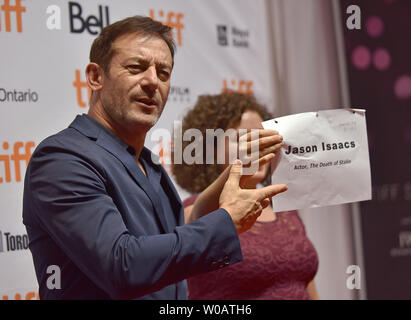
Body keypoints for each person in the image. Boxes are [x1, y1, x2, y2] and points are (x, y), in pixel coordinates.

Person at [22, 16, 287, 300]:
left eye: (163, 73)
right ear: (96, 76)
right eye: (136, 68)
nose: (152, 81)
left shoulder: (148, 164)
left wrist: (236, 173)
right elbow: (123, 267)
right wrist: (226, 222)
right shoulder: (62, 159)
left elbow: (179, 232)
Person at [172, 92, 320, 300]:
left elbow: (305, 286)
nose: (258, 145)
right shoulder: (195, 211)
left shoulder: (287, 212)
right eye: (244, 139)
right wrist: (239, 169)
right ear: (210, 149)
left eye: (263, 136)